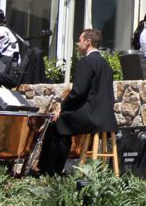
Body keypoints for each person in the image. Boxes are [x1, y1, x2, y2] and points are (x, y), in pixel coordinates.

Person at [38, 29, 117, 176]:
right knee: (62, 123)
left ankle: (49, 171)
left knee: (56, 125)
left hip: (91, 117)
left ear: (88, 42)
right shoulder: (106, 64)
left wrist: (62, 107)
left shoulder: (87, 61)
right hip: (106, 118)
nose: (77, 43)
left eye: (79, 40)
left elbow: (78, 92)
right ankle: (52, 170)